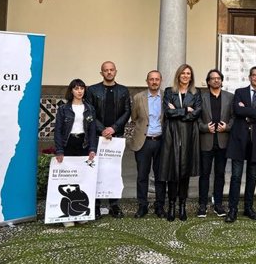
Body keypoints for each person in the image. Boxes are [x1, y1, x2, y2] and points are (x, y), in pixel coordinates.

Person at [225, 65, 256, 223]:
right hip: (239, 140)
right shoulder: (240, 92)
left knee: (252, 177)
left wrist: (249, 113)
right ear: (250, 76)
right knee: (236, 177)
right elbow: (238, 111)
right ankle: (232, 210)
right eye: (255, 75)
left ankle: (249, 208)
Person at [85, 61, 131, 219]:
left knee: (114, 172)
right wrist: (102, 130)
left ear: (116, 72)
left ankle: (114, 205)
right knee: (96, 170)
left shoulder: (123, 91)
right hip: (98, 137)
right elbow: (90, 112)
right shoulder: (92, 90)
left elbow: (127, 112)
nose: (109, 72)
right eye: (106, 70)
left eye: (111, 70)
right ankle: (96, 205)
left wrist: (114, 128)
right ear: (101, 73)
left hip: (115, 137)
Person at [159, 64, 202, 221]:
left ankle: (182, 206)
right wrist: (185, 110)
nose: (185, 76)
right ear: (178, 75)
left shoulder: (196, 93)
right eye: (183, 73)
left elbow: (196, 113)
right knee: (172, 173)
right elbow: (168, 113)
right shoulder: (170, 92)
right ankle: (171, 206)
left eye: (188, 73)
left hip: (189, 136)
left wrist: (178, 111)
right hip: (172, 135)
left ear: (191, 77)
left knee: (184, 173)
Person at [54, 79, 98, 227]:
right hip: (68, 144)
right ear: (71, 91)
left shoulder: (90, 109)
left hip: (83, 144)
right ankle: (67, 217)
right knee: (68, 178)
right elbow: (58, 131)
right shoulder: (63, 109)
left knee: (81, 178)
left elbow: (92, 131)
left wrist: (92, 149)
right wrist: (59, 150)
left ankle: (78, 213)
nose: (79, 91)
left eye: (82, 88)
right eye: (76, 88)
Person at [129, 70, 167, 219]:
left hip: (161, 141)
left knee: (160, 176)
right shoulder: (138, 97)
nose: (154, 82)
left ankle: (159, 206)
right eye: (151, 79)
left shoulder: (166, 97)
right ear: (147, 81)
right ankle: (142, 206)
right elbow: (134, 117)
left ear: (161, 81)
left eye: (157, 79)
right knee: (142, 176)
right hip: (143, 142)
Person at [197, 69, 234, 218]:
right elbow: (196, 119)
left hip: (223, 142)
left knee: (220, 174)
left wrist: (227, 127)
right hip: (206, 142)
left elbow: (234, 117)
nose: (216, 80)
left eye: (218, 78)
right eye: (213, 78)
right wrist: (205, 128)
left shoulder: (230, 97)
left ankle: (218, 204)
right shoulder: (201, 98)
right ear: (208, 82)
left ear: (222, 81)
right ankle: (202, 205)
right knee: (204, 175)